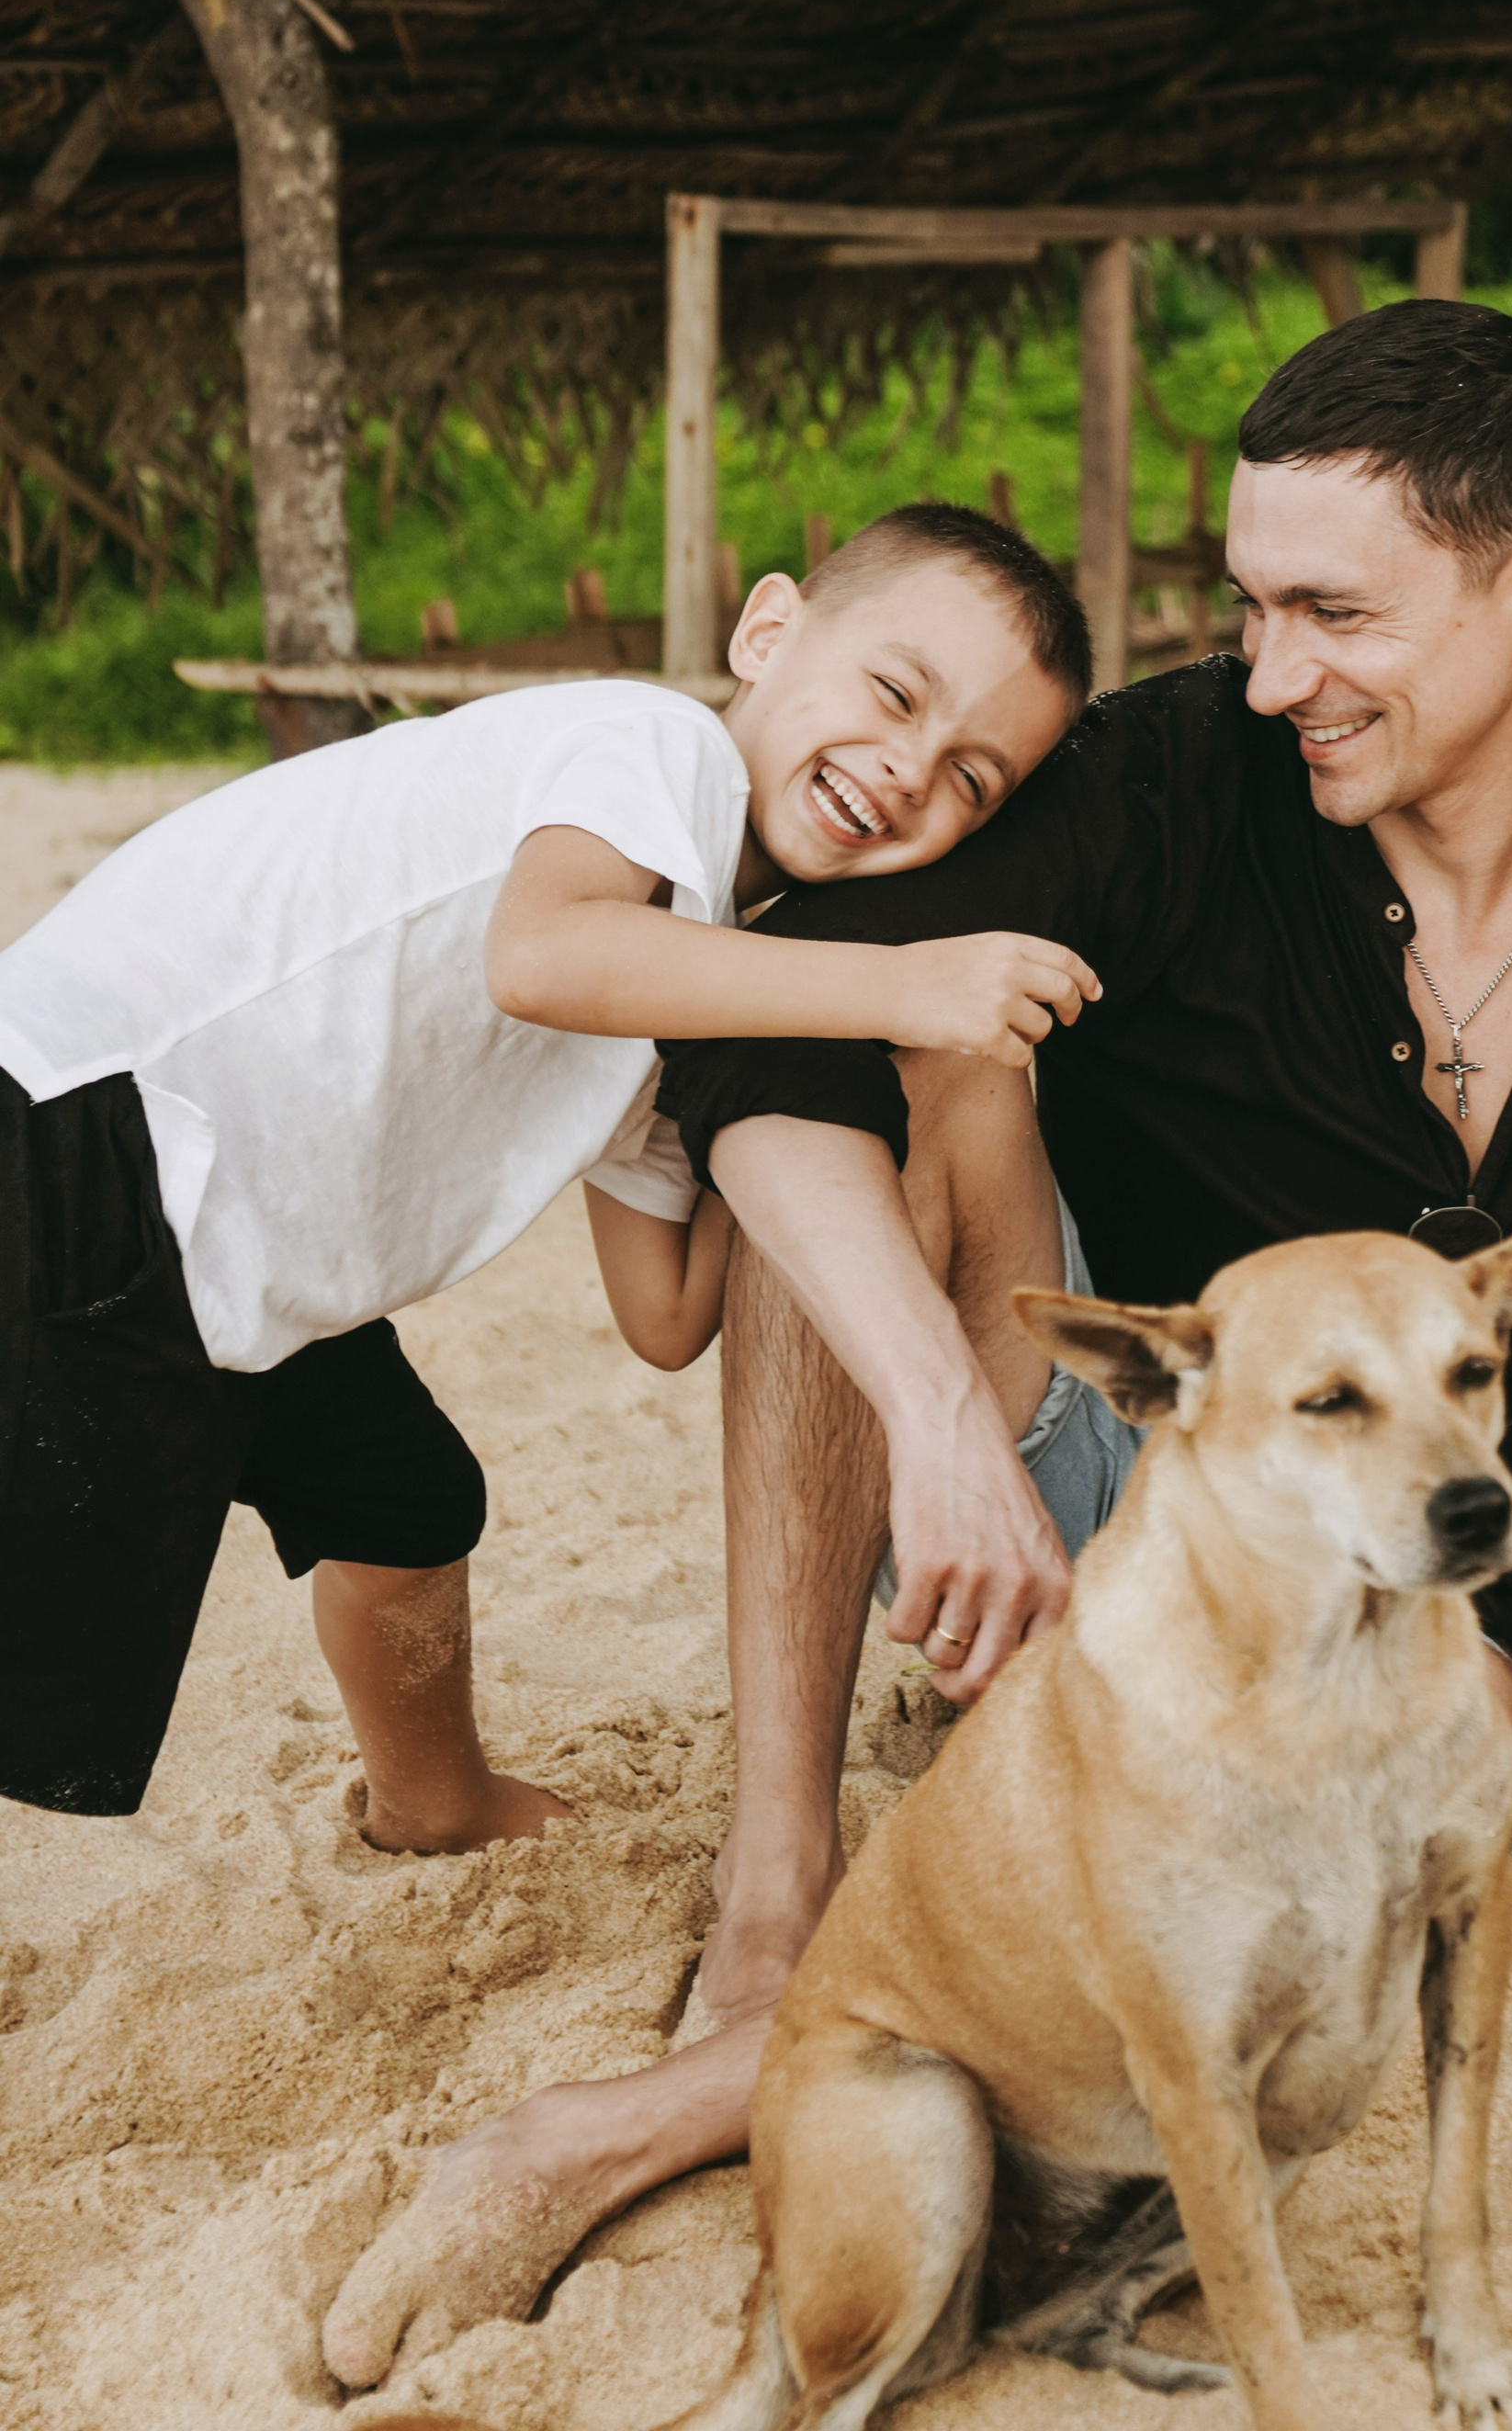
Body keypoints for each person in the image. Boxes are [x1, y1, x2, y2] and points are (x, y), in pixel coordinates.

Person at [325, 302, 1512, 2387]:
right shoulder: (1175, 779)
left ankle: (617, 2128)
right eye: (1246, 607)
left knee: (1366, 1834)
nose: (1269, 676)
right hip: (1077, 1479)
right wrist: (944, 1429)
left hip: (1455, 1599)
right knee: (849, 1093)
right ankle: (783, 1880)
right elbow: (783, 1013)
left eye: (1330, 614)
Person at [0, 503, 1095, 1849]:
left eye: (972, 778)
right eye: (892, 691)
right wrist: (906, 980)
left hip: (253, 1261)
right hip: (82, 1154)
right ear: (767, 631)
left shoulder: (693, 982)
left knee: (402, 1500)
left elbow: (668, 1314)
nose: (909, 766)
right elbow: (544, 954)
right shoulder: (646, 748)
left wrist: (847, 1119)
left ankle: (432, 1800)